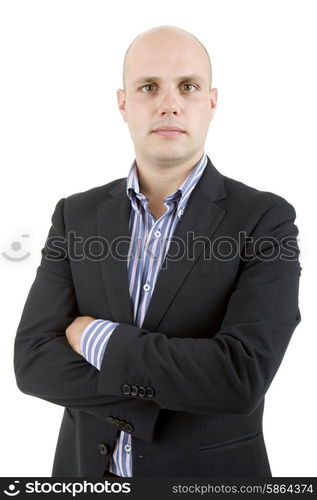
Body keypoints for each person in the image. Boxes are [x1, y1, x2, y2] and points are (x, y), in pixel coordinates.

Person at [14, 25, 301, 478]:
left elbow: (240, 378)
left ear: (211, 102)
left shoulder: (265, 219)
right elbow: (33, 363)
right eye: (149, 87)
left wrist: (96, 338)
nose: (169, 103)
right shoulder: (76, 215)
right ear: (124, 103)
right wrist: (174, 389)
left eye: (188, 86)